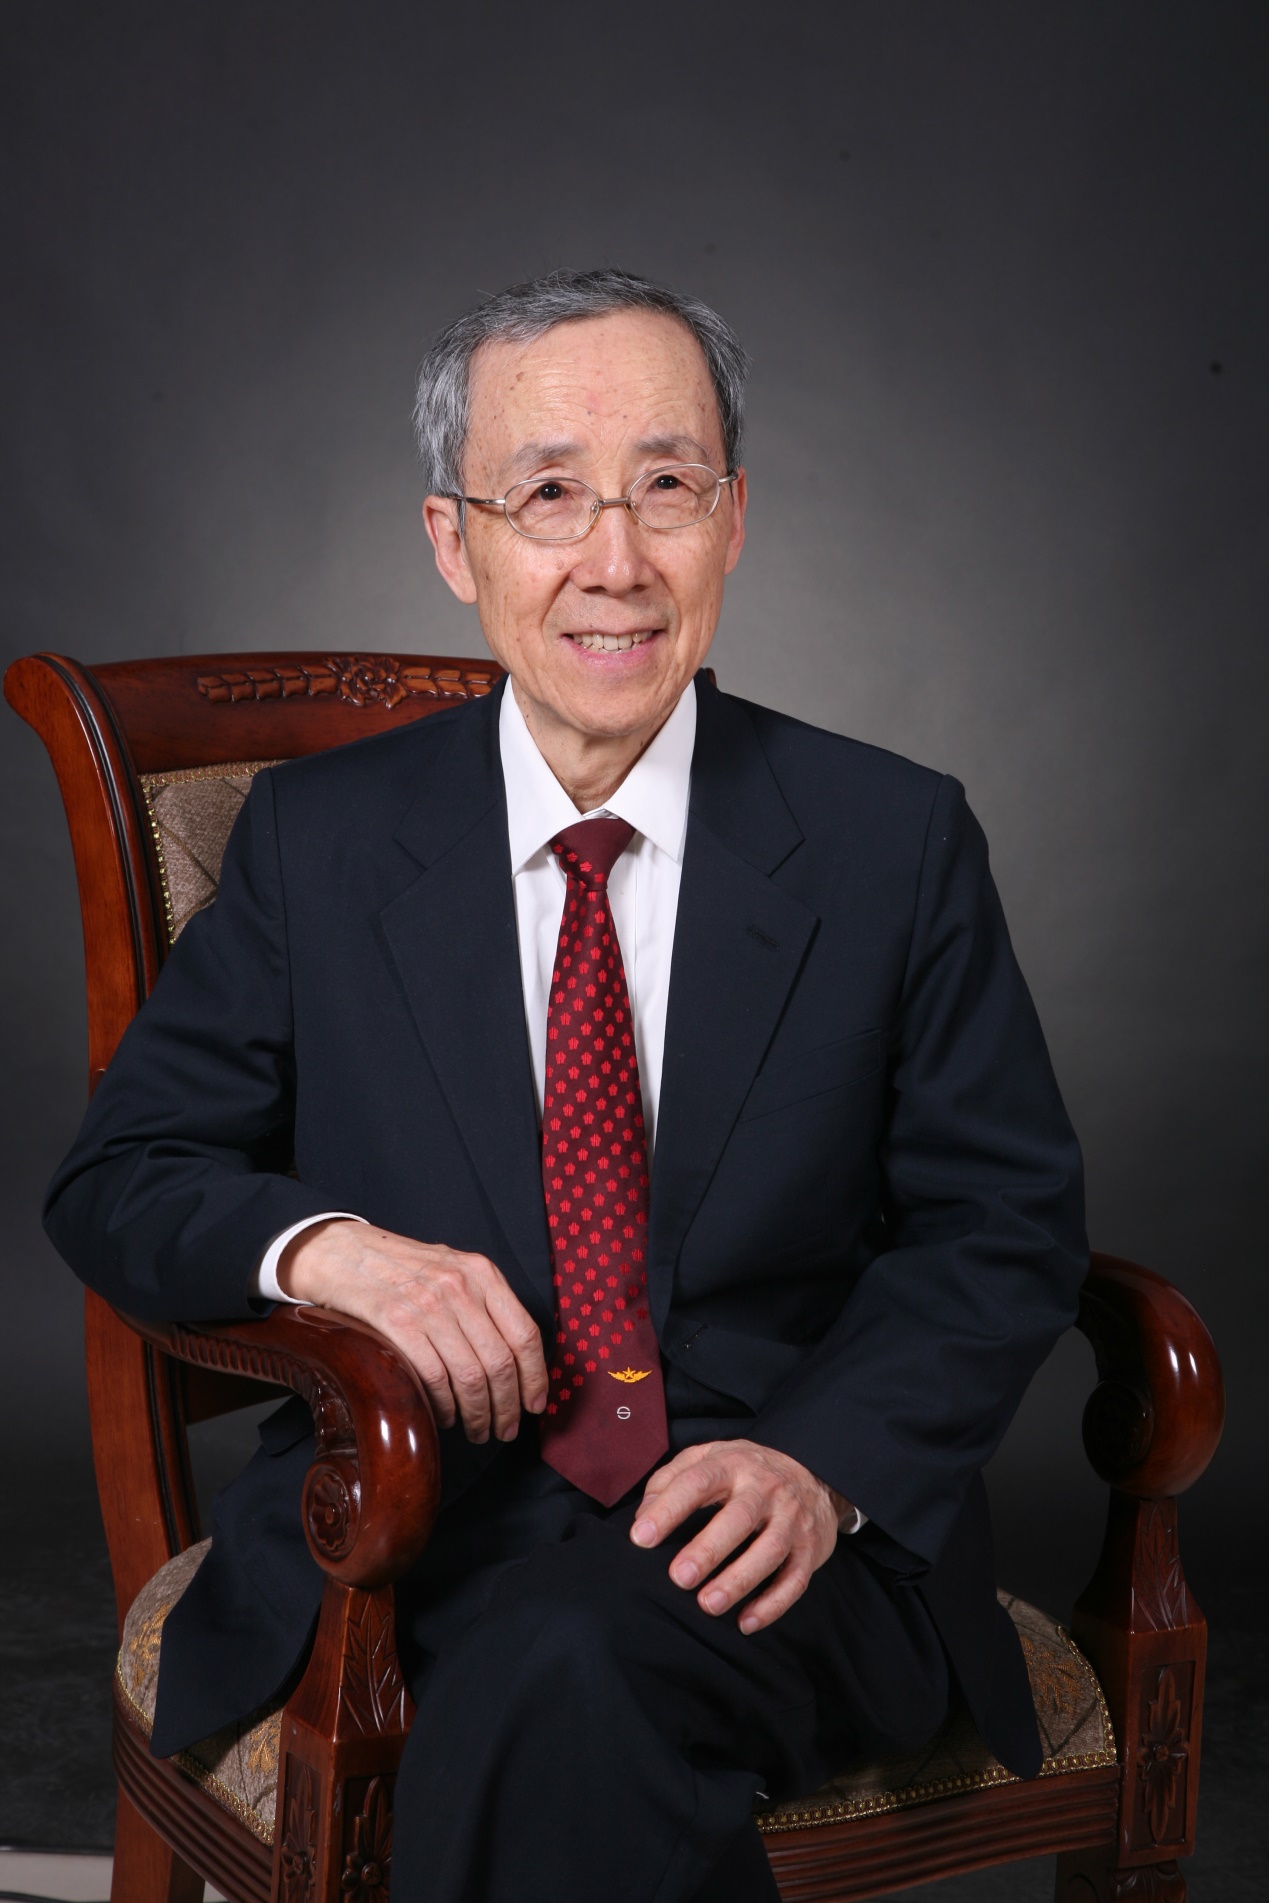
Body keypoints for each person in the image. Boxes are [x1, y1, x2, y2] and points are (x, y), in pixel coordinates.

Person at [44, 267, 1087, 1903]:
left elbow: (1002, 1220)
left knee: (556, 1681)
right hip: (409, 1508)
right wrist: (334, 1253)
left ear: (731, 521)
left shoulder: (889, 840)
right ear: (453, 542)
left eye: (665, 486)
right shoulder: (323, 844)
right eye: (547, 497)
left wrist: (821, 1465)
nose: (615, 561)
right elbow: (121, 1177)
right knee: (553, 1688)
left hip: (777, 1531)